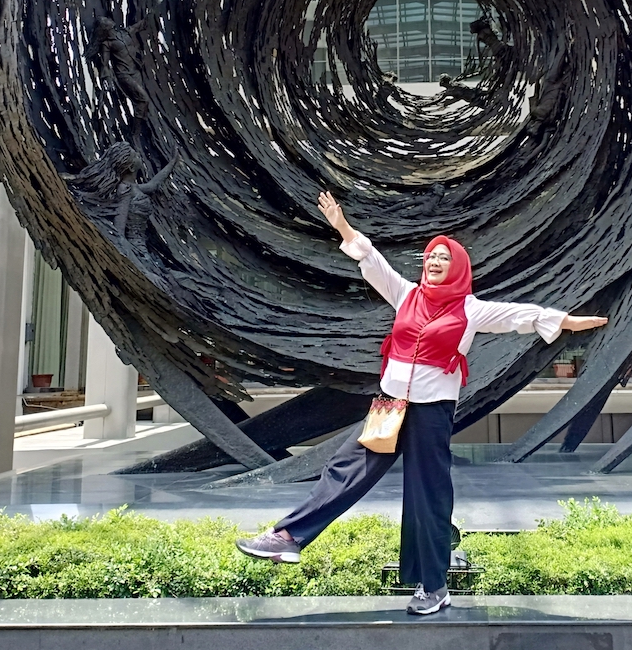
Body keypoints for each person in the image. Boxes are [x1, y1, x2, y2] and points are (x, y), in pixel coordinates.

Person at [236, 191, 608, 615]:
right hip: (390, 404)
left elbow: (516, 315)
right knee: (346, 467)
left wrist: (563, 321)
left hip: (432, 411)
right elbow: (372, 261)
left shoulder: (470, 309)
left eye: (441, 259)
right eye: (429, 257)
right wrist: (341, 225)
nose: (432, 263)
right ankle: (288, 538)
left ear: (458, 268)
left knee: (427, 495)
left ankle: (434, 586)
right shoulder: (406, 294)